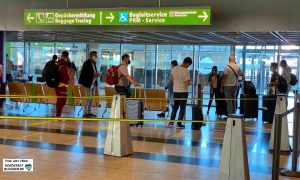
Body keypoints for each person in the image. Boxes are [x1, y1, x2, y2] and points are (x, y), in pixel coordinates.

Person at [165, 57, 193, 129]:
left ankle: (171, 123)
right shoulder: (186, 71)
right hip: (183, 91)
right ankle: (179, 124)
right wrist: (189, 81)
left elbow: (171, 78)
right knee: (182, 108)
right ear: (187, 63)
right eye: (189, 65)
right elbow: (187, 83)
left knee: (175, 107)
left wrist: (177, 81)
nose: (188, 66)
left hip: (176, 91)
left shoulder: (174, 68)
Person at [78, 51, 99, 118]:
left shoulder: (94, 64)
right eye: (94, 56)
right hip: (87, 83)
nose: (95, 57)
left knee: (91, 98)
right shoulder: (86, 63)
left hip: (93, 83)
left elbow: (93, 72)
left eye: (96, 56)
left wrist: (96, 74)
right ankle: (84, 113)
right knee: (88, 98)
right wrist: (93, 74)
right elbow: (85, 74)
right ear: (91, 56)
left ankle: (89, 111)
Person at [55, 51, 70, 118]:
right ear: (67, 56)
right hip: (62, 85)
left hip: (57, 84)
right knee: (62, 100)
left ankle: (58, 115)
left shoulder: (58, 63)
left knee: (59, 100)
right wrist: (68, 79)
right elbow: (65, 77)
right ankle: (58, 115)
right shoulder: (63, 65)